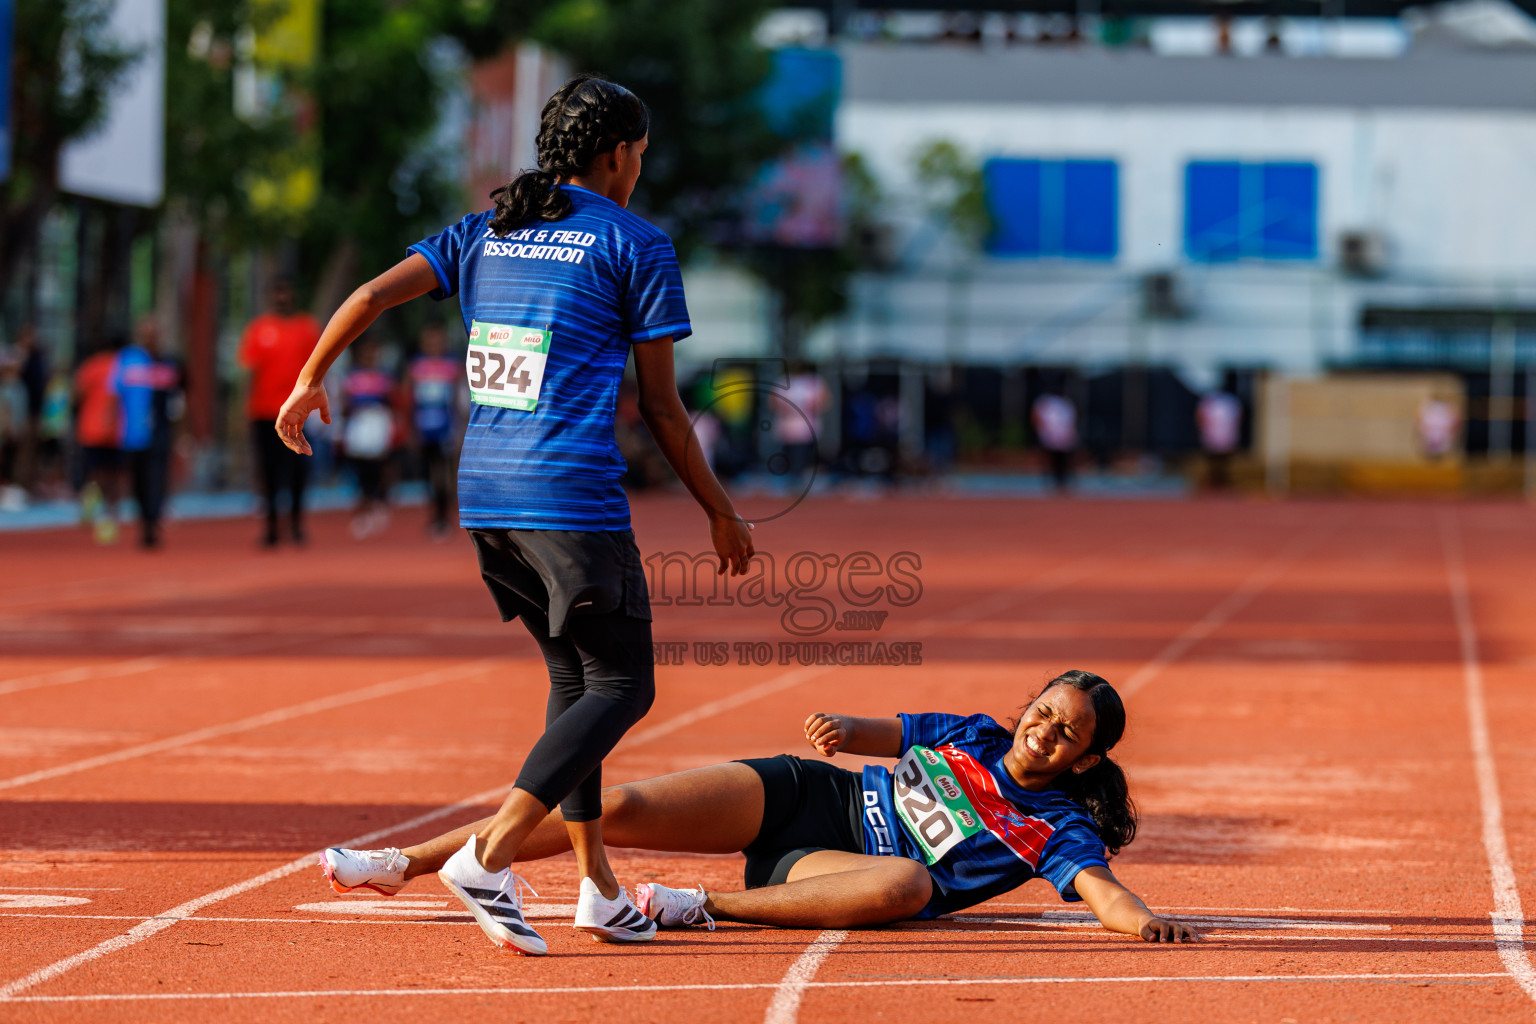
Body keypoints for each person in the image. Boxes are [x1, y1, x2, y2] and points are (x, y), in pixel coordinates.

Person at [278, 75, 754, 955]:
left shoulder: (487, 227)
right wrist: (721, 512)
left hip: (487, 497)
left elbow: (371, 296)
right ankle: (487, 857)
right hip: (570, 496)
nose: (640, 170)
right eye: (640, 155)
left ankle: (598, 888)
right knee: (626, 686)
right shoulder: (636, 244)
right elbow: (660, 406)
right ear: (616, 155)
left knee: (575, 683)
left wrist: (310, 379)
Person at [321, 670, 1198, 942]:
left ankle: (696, 905)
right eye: (1043, 711)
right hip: (805, 794)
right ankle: (403, 864)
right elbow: (879, 730)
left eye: (1066, 732)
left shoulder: (1057, 826)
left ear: (1088, 757)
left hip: (830, 870)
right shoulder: (972, 731)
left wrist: (1147, 922)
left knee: (907, 885)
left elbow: (1104, 894)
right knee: (613, 803)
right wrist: (839, 728)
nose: (1043, 731)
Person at [240, 278, 322, 547]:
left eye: (286, 292)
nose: (282, 297)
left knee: (298, 470)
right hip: (264, 412)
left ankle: (296, 524)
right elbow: (250, 373)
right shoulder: (258, 329)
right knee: (268, 471)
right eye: (277, 292)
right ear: (270, 296)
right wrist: (245, 411)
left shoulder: (306, 328)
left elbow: (318, 369)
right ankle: (272, 527)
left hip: (298, 413)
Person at [116, 316, 185, 548]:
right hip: (133, 432)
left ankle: (152, 522)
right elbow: (115, 394)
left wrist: (182, 429)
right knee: (138, 480)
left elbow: (181, 396)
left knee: (157, 478)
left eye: (153, 334)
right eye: (146, 334)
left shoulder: (170, 362)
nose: (150, 338)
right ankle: (144, 517)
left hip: (161, 432)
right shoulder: (128, 360)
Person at [406, 321, 463, 537]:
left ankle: (443, 516)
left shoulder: (453, 366)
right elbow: (409, 399)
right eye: (429, 340)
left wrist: (460, 428)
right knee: (430, 472)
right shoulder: (416, 367)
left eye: (438, 340)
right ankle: (436, 513)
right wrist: (411, 429)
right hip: (423, 427)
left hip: (446, 426)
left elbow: (460, 400)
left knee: (444, 472)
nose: (434, 344)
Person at [340, 337, 399, 539]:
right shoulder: (352, 378)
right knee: (361, 468)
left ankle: (380, 502)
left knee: (380, 466)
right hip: (359, 426)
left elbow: (393, 402)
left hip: (378, 424)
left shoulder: (385, 378)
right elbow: (345, 405)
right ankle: (364, 505)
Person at [73, 335, 126, 544]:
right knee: (114, 475)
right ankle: (111, 516)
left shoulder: (90, 367)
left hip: (90, 430)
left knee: (94, 473)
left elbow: (76, 395)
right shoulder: (122, 367)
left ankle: (89, 507)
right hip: (116, 431)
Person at [1032, 386, 1078, 493]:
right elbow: (1036, 417)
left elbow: (1071, 419)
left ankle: (1062, 483)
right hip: (1049, 436)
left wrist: (1070, 433)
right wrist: (1043, 432)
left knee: (1063, 461)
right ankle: (1050, 483)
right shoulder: (1045, 401)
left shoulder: (1066, 402)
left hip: (1063, 437)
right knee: (1050, 460)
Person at [1196, 386, 1242, 490]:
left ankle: (1223, 481)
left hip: (1226, 436)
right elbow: (1200, 416)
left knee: (1224, 462)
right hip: (1211, 436)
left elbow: (1238, 418)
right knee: (1212, 461)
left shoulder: (1230, 401)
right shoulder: (1208, 401)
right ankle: (1213, 481)